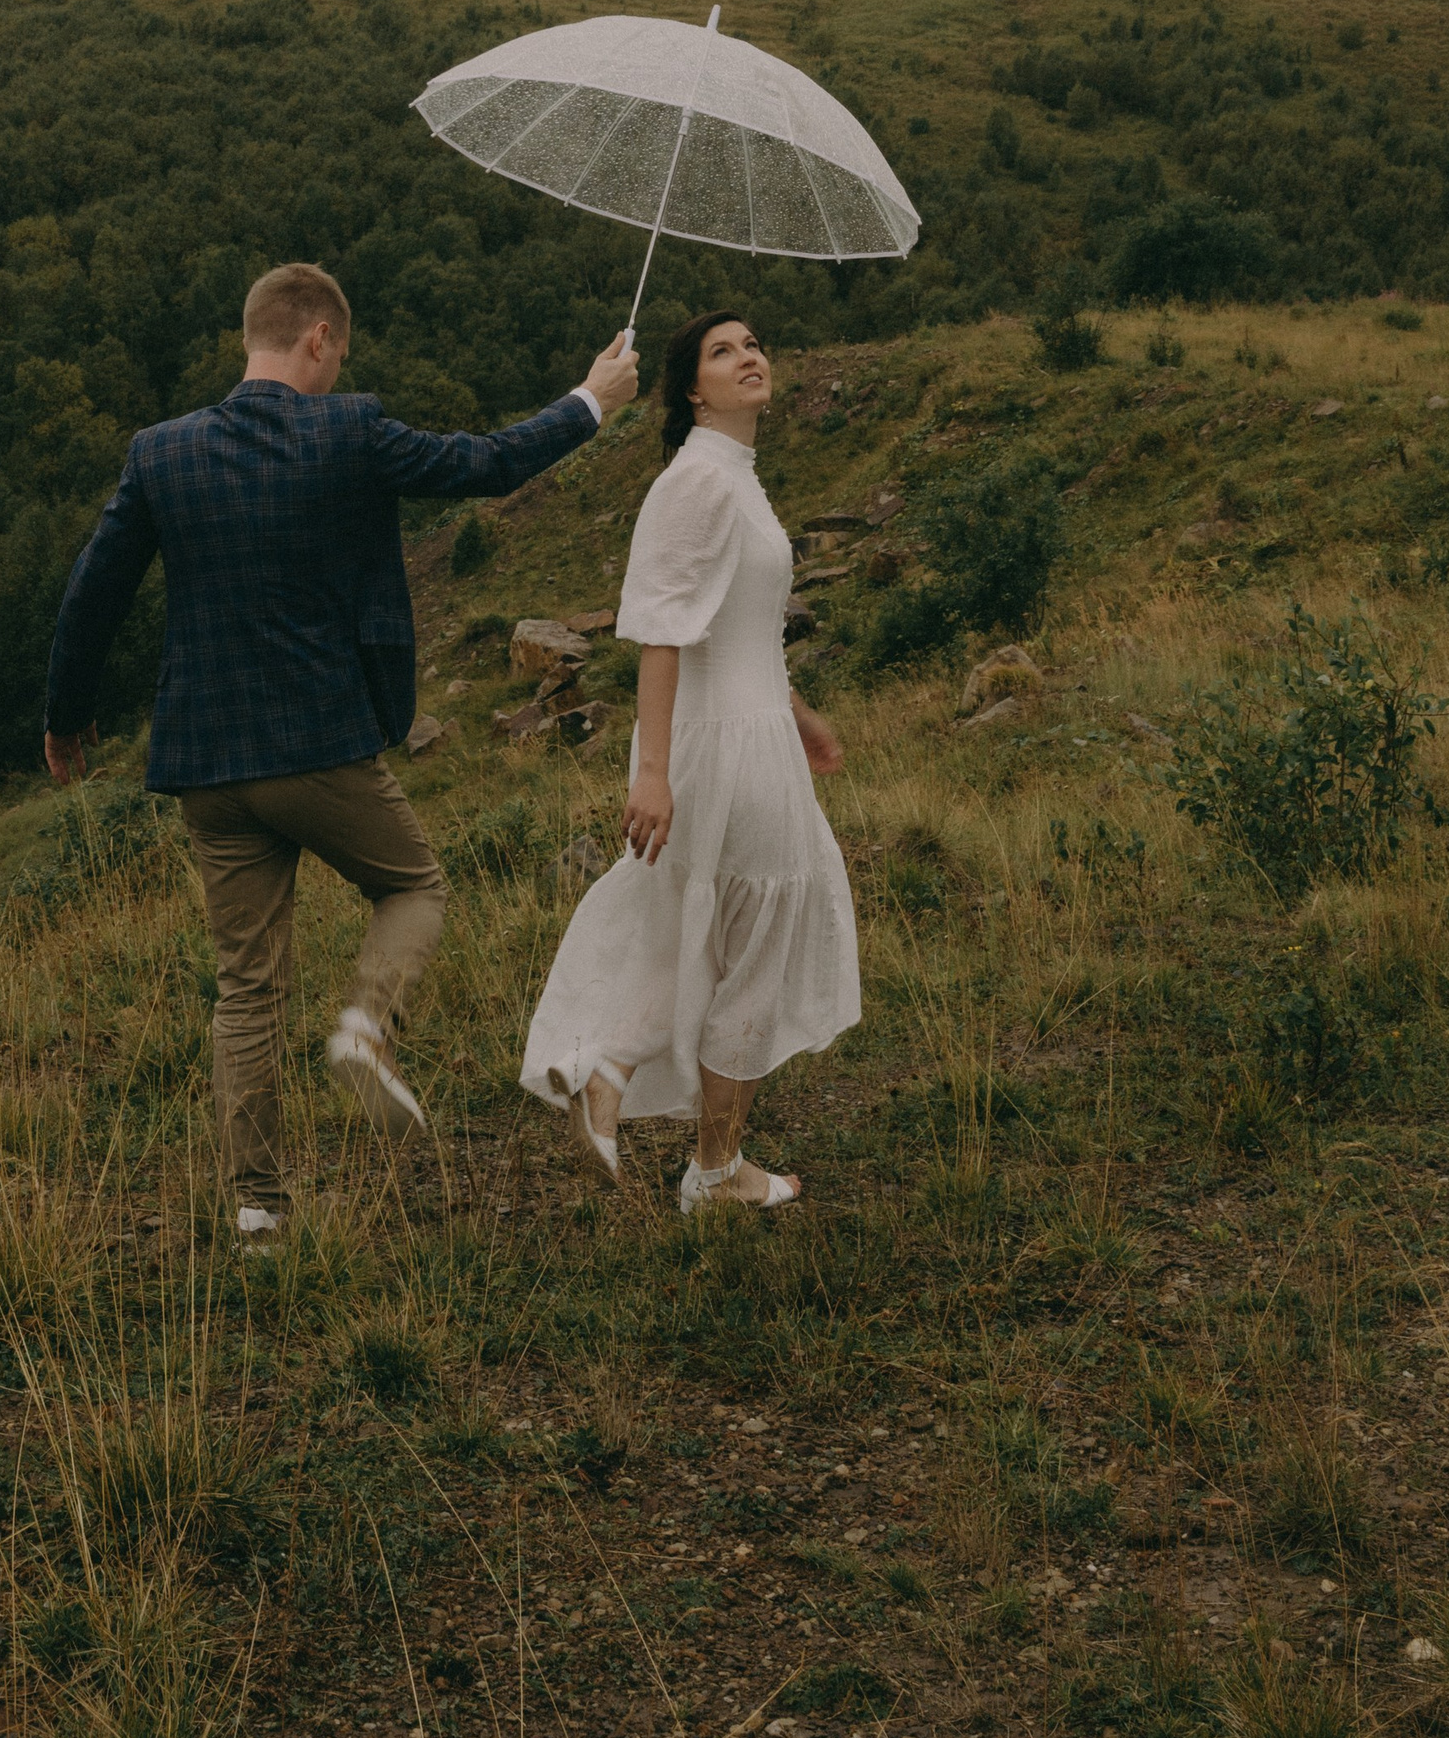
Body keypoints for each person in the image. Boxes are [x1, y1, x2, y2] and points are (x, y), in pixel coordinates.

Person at [44, 262, 639, 1237]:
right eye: (338, 354)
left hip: (206, 764)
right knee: (414, 888)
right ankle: (367, 1025)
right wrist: (591, 400)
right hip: (315, 739)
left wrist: (64, 719)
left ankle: (258, 1211)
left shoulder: (161, 453)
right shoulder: (349, 429)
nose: (336, 371)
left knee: (246, 989)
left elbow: (92, 594)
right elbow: (487, 464)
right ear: (317, 337)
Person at [520, 311, 859, 1212]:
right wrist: (652, 772)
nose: (749, 355)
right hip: (724, 747)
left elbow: (739, 631)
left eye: (753, 343)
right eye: (722, 350)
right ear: (692, 393)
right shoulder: (700, 478)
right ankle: (711, 1167)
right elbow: (661, 632)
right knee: (756, 946)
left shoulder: (732, 475)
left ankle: (613, 1070)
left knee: (706, 928)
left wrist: (801, 716)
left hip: (752, 732)